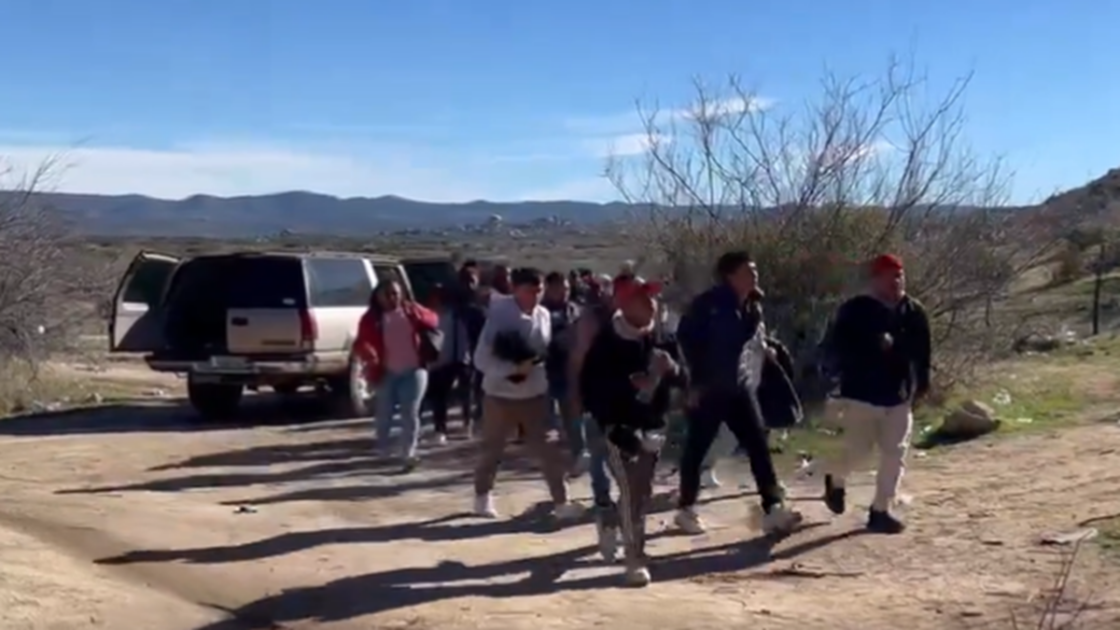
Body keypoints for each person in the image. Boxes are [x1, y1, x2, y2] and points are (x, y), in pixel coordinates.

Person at [674, 251, 802, 535]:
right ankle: (686, 509)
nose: (755, 275)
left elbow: (746, 343)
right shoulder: (707, 305)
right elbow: (684, 341)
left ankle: (773, 509)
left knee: (758, 446)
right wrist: (692, 383)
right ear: (731, 275)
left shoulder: (751, 306)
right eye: (748, 271)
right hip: (709, 387)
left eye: (755, 270)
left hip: (739, 387)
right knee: (696, 449)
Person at [579, 276, 686, 586]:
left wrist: (673, 370)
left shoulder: (662, 336)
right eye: (643, 299)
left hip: (653, 425)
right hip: (619, 428)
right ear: (624, 305)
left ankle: (608, 518)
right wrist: (627, 384)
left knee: (642, 493)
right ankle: (634, 558)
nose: (651, 304)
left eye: (652, 298)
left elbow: (684, 378)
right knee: (630, 493)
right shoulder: (606, 342)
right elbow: (590, 391)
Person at [821, 253, 931, 534]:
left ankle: (880, 510)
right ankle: (835, 479)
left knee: (895, 453)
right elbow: (837, 348)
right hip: (862, 393)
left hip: (899, 394)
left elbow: (923, 352)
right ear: (875, 279)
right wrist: (871, 346)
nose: (896, 282)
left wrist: (923, 384)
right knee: (858, 453)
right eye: (890, 276)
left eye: (900, 276)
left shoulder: (913, 311)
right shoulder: (855, 310)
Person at [471, 267, 580, 520]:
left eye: (538, 290)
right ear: (515, 289)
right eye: (529, 290)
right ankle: (482, 496)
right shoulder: (499, 316)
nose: (535, 295)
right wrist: (511, 369)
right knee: (492, 449)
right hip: (500, 395)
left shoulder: (543, 315)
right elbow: (481, 358)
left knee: (548, 449)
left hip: (535, 394)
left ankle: (561, 501)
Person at [567, 273, 634, 560]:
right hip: (598, 402)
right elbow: (578, 360)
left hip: (631, 407)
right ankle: (605, 517)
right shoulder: (591, 321)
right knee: (600, 461)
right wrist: (577, 398)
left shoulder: (640, 320)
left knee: (631, 471)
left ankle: (617, 520)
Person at [355, 279, 440, 470]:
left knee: (410, 412)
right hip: (386, 371)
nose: (392, 298)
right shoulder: (371, 319)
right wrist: (369, 354)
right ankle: (383, 449)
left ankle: (408, 453)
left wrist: (419, 313)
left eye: (395, 293)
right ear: (377, 296)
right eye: (387, 294)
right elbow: (360, 342)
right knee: (385, 413)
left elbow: (434, 319)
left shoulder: (411, 311)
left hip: (414, 369)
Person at [541, 271, 584, 465]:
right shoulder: (539, 312)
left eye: (567, 288)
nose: (565, 292)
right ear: (550, 288)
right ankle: (552, 460)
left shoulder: (575, 310)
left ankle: (579, 452)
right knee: (547, 420)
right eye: (561, 288)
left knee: (573, 414)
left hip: (569, 370)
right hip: (545, 370)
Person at [425, 284, 472, 444]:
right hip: (439, 362)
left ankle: (467, 421)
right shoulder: (429, 317)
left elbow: (464, 338)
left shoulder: (456, 316)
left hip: (458, 359)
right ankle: (440, 429)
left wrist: (464, 358)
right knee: (439, 397)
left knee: (464, 393)